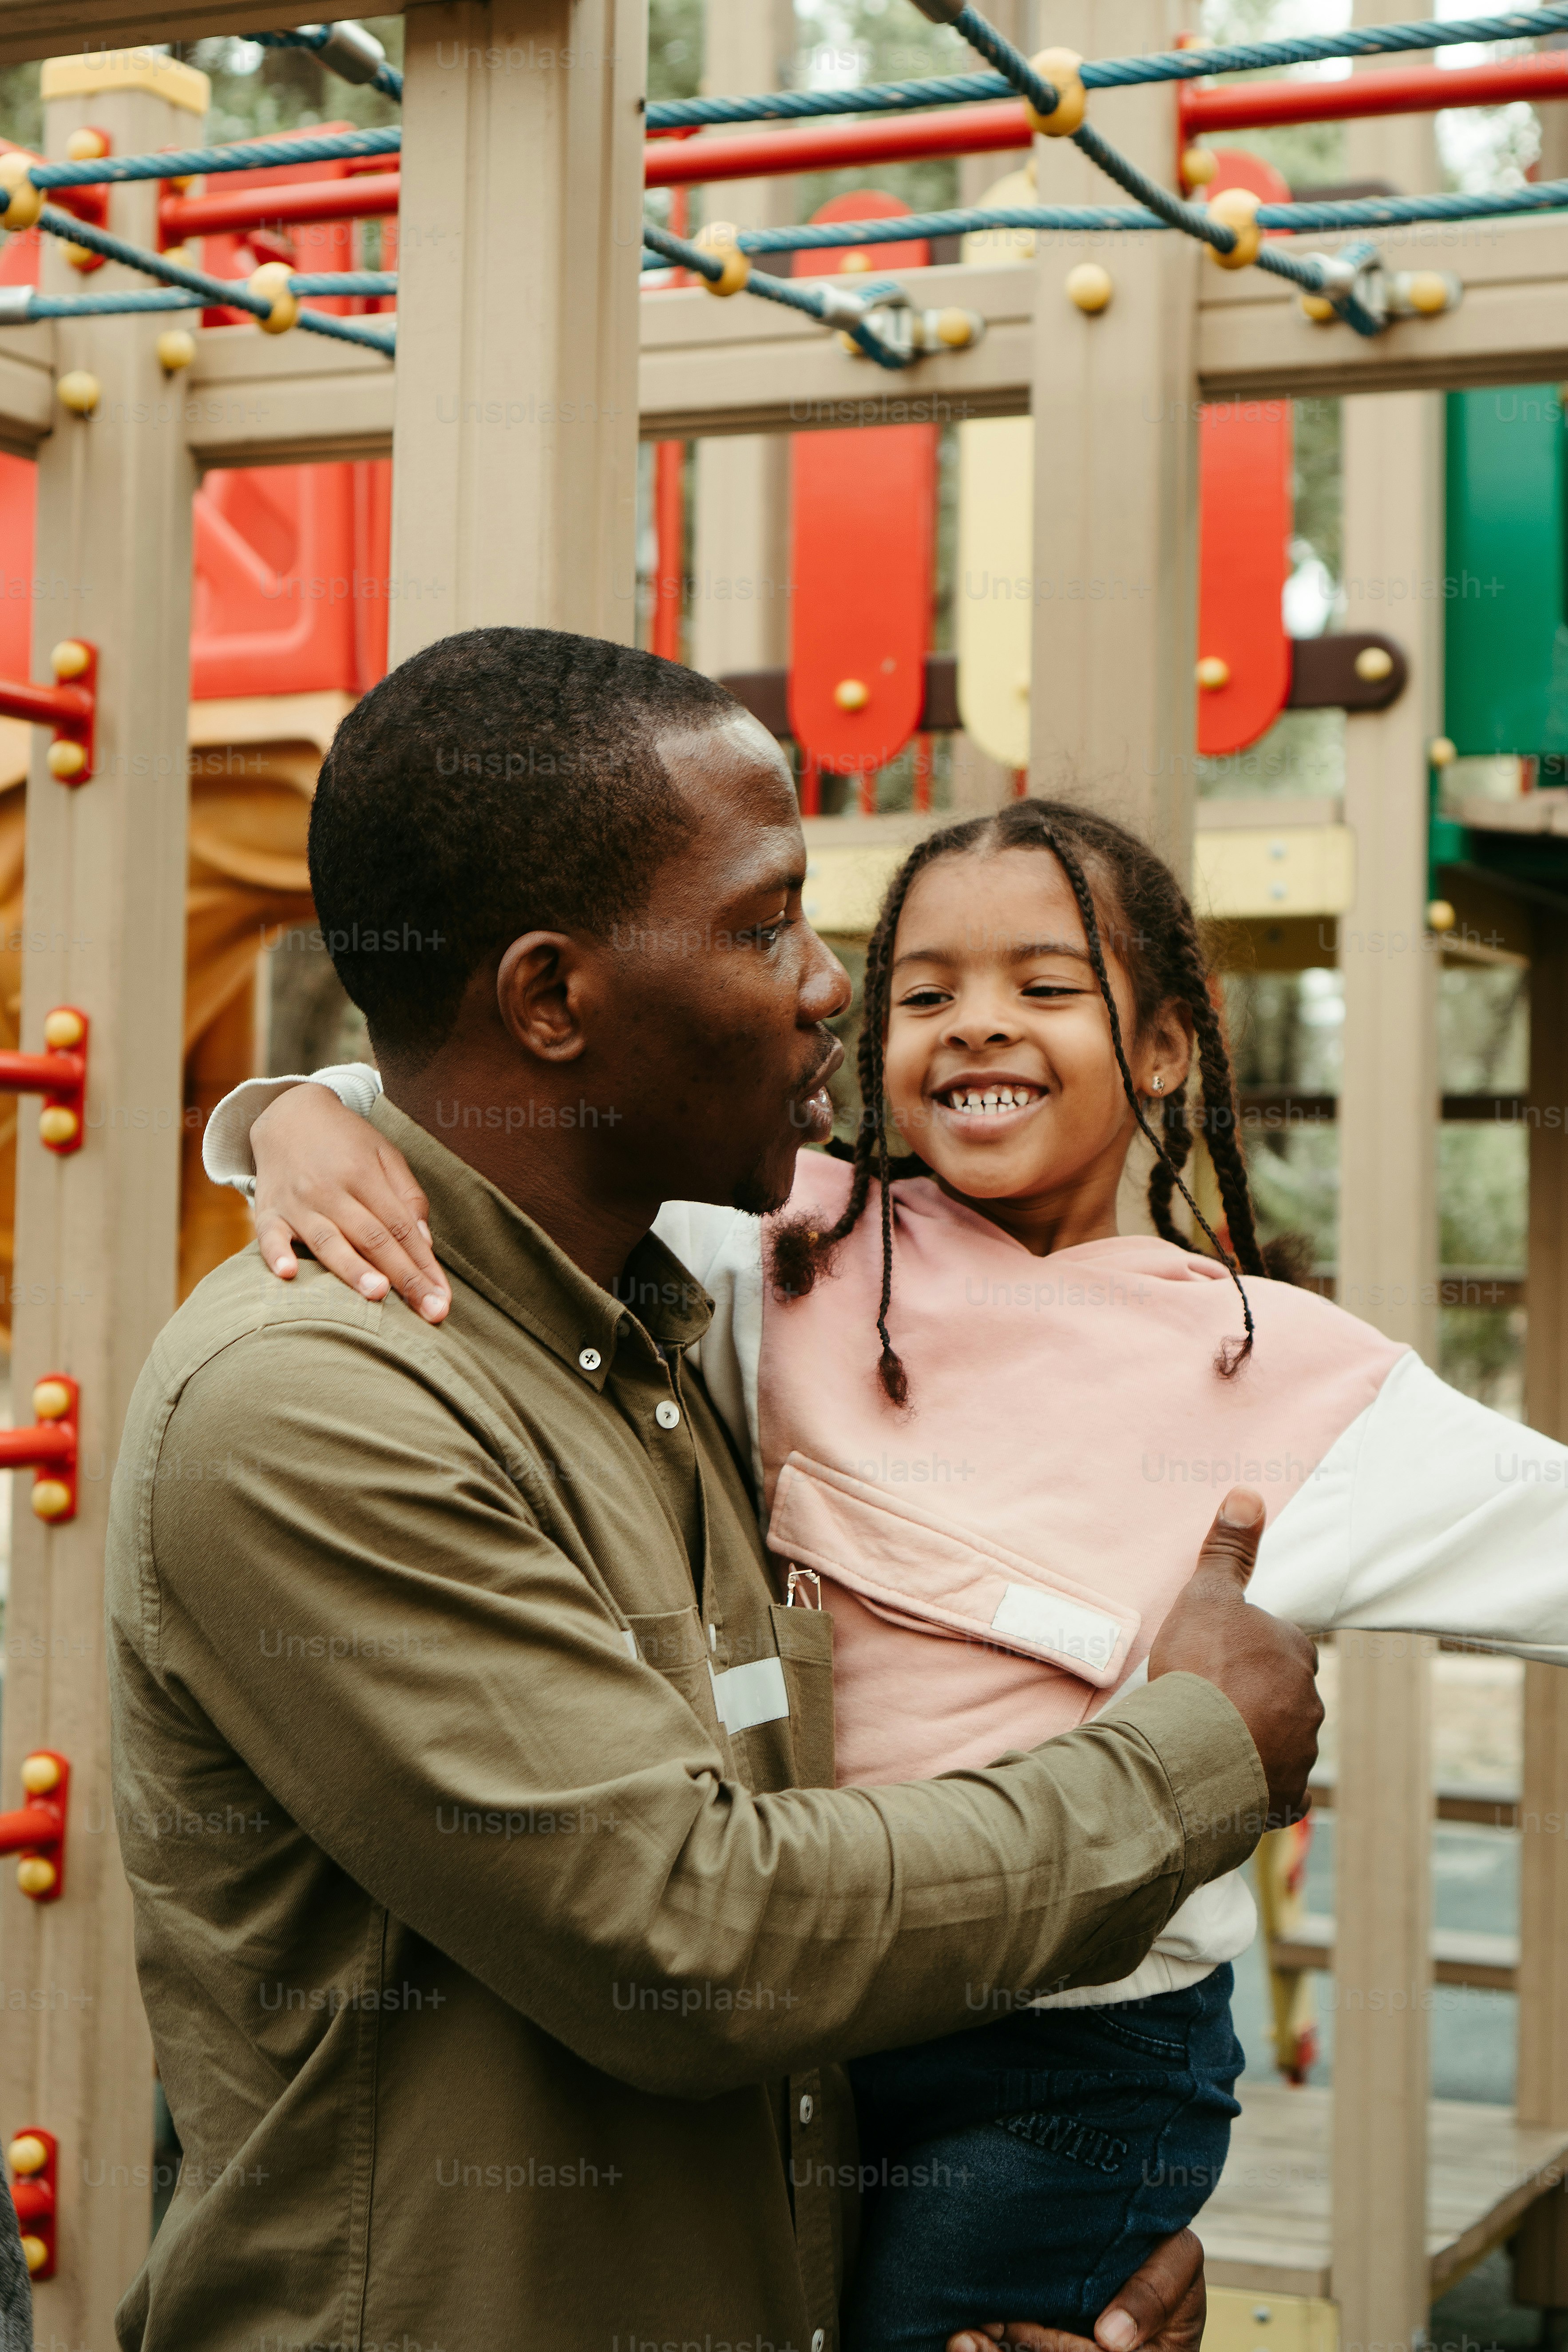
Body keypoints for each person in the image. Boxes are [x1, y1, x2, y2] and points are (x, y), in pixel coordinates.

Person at [223, 784, 1568, 2345]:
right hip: (821, 2003)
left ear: (1165, 1048)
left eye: (1045, 988)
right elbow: (494, 1129)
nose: (976, 1026)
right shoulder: (785, 1246)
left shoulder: (1297, 1381)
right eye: (925, 992)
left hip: (1074, 2053)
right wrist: (294, 1118)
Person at [108, 629, 1323, 2352]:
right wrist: (1192, 1750)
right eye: (764, 925)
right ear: (550, 1000)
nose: (832, 983)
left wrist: (1006, 2279)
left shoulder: (658, 1347)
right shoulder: (315, 1403)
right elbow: (688, 1931)